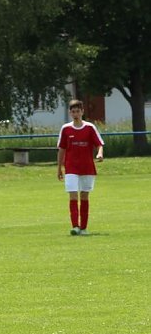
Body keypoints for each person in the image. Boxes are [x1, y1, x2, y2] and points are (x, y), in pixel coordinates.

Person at [57, 99, 104, 235]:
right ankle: (75, 226)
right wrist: (59, 168)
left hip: (87, 167)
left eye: (78, 111)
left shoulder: (90, 127)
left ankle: (83, 228)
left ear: (82, 112)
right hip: (71, 168)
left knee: (84, 196)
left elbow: (99, 144)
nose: (75, 114)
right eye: (73, 112)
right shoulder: (66, 129)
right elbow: (61, 149)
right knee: (73, 195)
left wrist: (100, 153)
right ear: (70, 113)